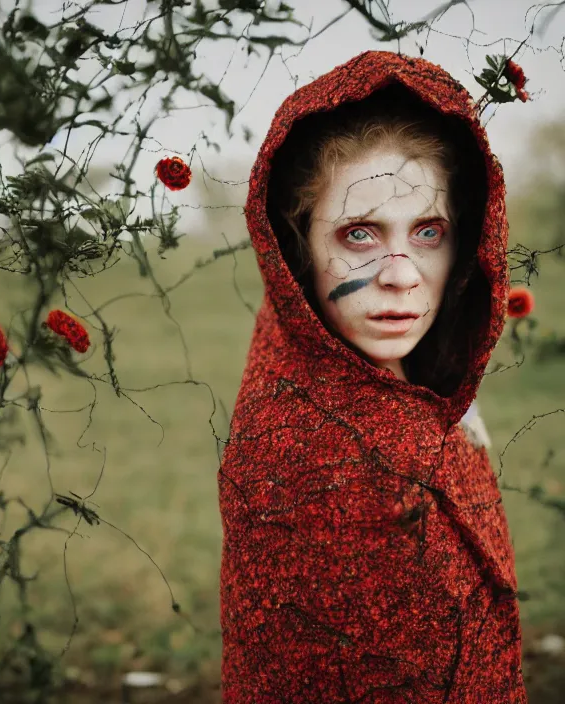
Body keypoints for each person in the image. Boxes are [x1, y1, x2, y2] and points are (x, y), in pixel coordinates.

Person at [218, 50, 526, 703]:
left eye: (427, 231)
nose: (402, 274)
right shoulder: (304, 448)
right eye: (359, 234)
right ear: (295, 246)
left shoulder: (428, 387)